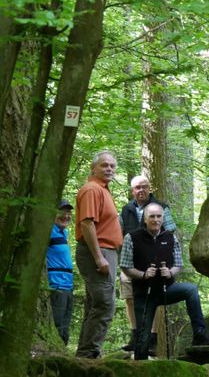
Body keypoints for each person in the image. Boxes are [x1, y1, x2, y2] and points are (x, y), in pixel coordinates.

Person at [119, 203, 209, 360]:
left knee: (190, 290)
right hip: (144, 294)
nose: (156, 220)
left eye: (159, 216)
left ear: (163, 218)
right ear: (145, 219)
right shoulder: (132, 237)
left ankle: (199, 333)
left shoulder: (170, 237)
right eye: (152, 216)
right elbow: (125, 267)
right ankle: (140, 365)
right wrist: (143, 274)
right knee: (143, 342)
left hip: (166, 290)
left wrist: (170, 272)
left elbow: (179, 264)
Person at [119, 175, 177, 352]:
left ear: (149, 188)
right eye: (137, 187)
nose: (141, 190)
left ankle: (151, 339)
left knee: (153, 297)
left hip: (156, 261)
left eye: (144, 186)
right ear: (132, 191)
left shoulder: (161, 207)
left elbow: (170, 230)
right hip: (131, 260)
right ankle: (136, 336)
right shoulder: (127, 209)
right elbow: (119, 231)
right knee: (130, 298)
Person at [75, 151, 122, 358]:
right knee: (105, 303)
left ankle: (85, 352)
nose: (109, 169)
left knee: (95, 303)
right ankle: (89, 354)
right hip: (98, 251)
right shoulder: (92, 190)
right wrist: (98, 257)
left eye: (112, 166)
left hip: (106, 251)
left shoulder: (103, 190)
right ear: (93, 168)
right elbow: (87, 224)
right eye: (104, 165)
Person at [46, 199, 75, 345]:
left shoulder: (63, 233)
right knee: (57, 325)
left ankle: (62, 352)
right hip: (56, 285)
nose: (66, 216)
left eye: (68, 212)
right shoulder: (48, 231)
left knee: (65, 326)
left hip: (67, 286)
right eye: (61, 212)